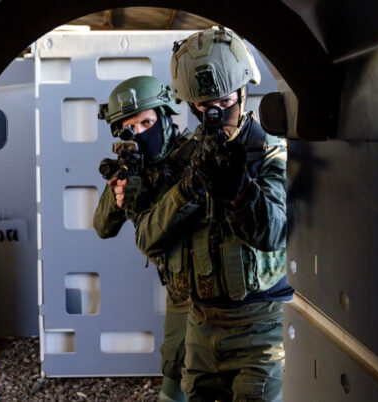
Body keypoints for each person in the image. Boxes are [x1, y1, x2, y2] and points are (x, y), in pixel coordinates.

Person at [129, 26, 292, 401]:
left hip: (259, 329)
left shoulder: (268, 153)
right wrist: (187, 191)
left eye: (222, 101)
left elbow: (274, 233)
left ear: (242, 91)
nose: (213, 113)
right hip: (200, 327)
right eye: (203, 105)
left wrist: (239, 190)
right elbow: (147, 237)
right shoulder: (184, 160)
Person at [93, 75, 190, 402]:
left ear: (165, 117)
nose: (140, 133)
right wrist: (122, 189)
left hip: (221, 296)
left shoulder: (191, 157)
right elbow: (102, 227)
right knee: (173, 382)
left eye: (147, 122)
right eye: (130, 128)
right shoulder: (135, 168)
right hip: (180, 293)